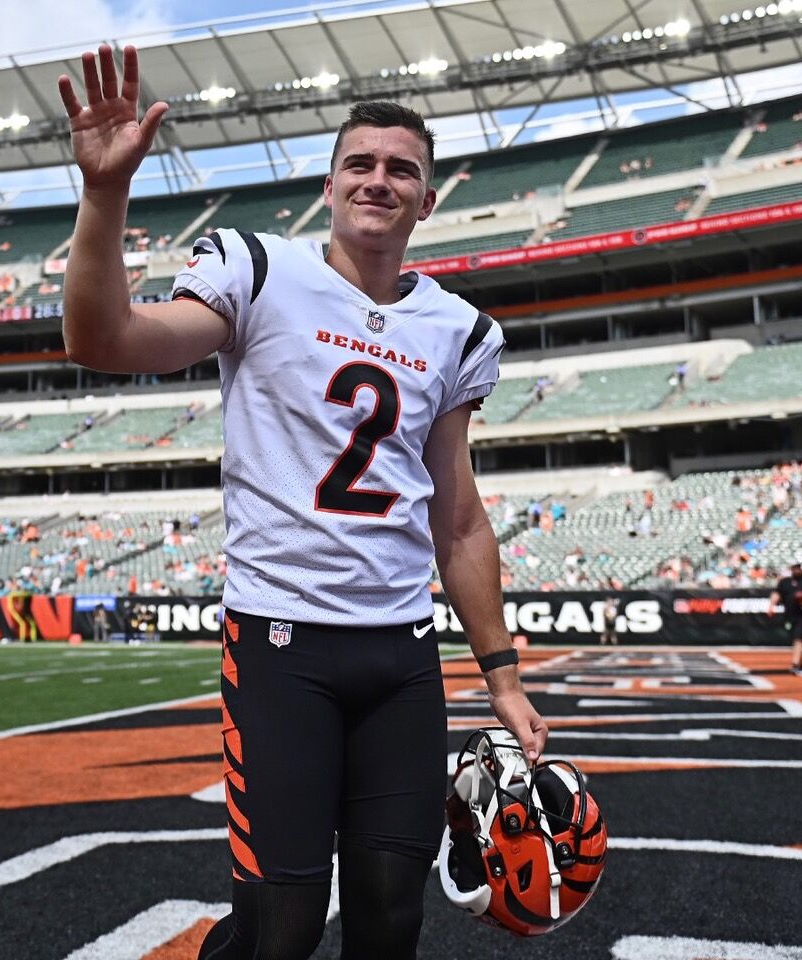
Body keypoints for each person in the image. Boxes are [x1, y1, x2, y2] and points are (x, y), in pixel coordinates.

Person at [58, 44, 547, 960]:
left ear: (427, 201)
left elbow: (459, 517)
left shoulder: (459, 330)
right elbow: (105, 339)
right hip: (281, 647)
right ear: (329, 185)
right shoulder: (258, 270)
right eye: (360, 162)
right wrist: (103, 195)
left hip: (401, 658)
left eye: (402, 169)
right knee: (277, 930)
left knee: (391, 918)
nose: (379, 178)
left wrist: (502, 673)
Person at [768, 559, 802, 676]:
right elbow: (777, 594)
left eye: (798, 567)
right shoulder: (785, 582)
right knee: (795, 640)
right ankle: (801, 664)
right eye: (795, 567)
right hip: (789, 615)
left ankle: (795, 664)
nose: (797, 569)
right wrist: (771, 606)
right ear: (791, 569)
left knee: (799, 638)